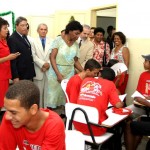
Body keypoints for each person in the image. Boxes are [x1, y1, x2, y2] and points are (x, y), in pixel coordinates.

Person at [0, 80, 65, 150]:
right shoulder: (11, 119)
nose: (7, 117)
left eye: (14, 112)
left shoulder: (54, 125)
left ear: (33, 109)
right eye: (6, 110)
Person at [46, 21, 83, 113]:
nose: (77, 36)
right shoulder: (58, 41)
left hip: (69, 73)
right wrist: (58, 74)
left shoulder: (76, 44)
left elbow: (75, 61)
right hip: (56, 73)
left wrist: (85, 71)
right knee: (53, 97)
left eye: (79, 34)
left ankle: (64, 119)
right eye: (76, 33)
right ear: (69, 31)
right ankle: (52, 118)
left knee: (66, 96)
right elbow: (52, 57)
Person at [124, 54, 150, 150]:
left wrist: (143, 100)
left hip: (146, 106)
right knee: (125, 113)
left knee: (137, 123)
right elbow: (138, 93)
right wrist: (139, 98)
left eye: (146, 61)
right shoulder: (143, 75)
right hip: (140, 106)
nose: (144, 63)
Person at [7, 16, 35, 83]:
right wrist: (15, 76)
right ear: (16, 26)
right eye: (22, 25)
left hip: (28, 73)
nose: (25, 27)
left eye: (26, 25)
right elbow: (12, 60)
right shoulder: (12, 39)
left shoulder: (24, 36)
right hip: (21, 75)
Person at [0, 17, 20, 110]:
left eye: (7, 28)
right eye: (5, 28)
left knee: (2, 101)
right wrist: (8, 57)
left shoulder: (4, 41)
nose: (7, 30)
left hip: (5, 76)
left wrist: (12, 56)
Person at [31, 23, 51, 108]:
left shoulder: (52, 41)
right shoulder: (33, 41)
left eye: (45, 29)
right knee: (38, 93)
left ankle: (46, 110)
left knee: (47, 93)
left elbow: (53, 55)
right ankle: (38, 110)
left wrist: (48, 64)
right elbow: (33, 56)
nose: (43, 31)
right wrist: (43, 65)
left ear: (47, 31)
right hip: (38, 69)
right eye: (41, 29)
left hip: (49, 70)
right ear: (37, 30)